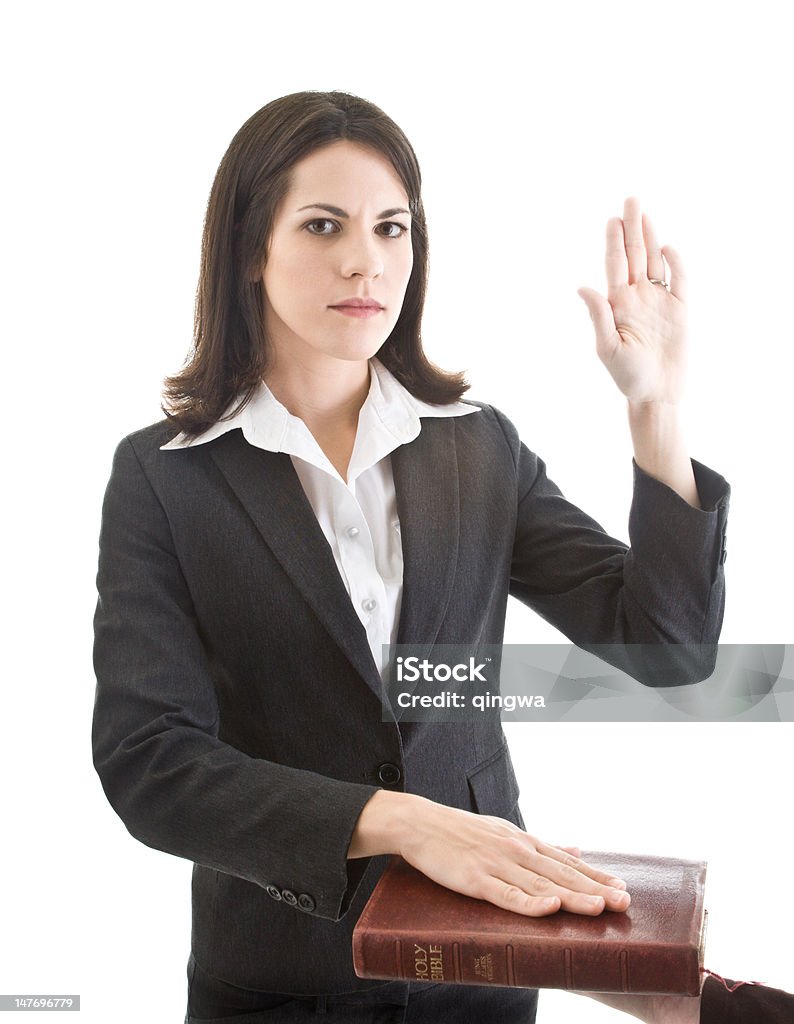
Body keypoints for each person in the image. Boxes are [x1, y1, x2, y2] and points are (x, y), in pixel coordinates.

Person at [91, 91, 731, 1023]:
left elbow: (668, 651)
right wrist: (398, 823)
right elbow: (149, 761)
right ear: (247, 251)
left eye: (393, 228)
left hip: (481, 971)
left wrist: (654, 409)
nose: (365, 260)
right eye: (323, 225)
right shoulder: (164, 478)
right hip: (277, 981)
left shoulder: (478, 449)